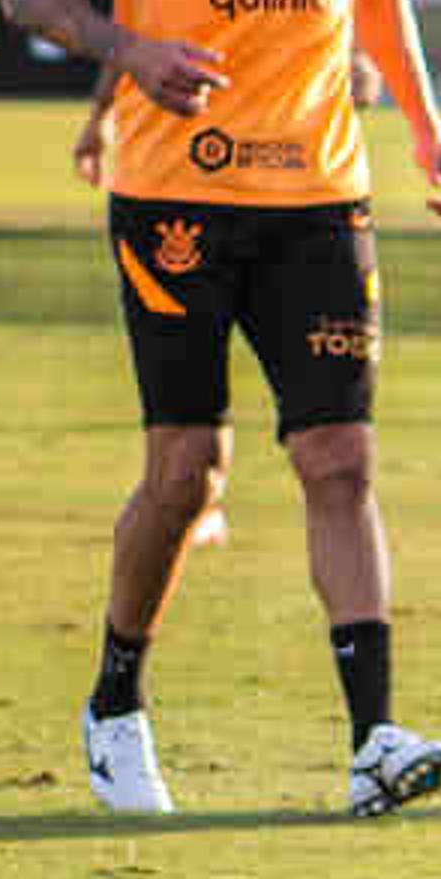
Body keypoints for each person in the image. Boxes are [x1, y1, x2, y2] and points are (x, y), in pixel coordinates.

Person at [3, 0, 441, 816]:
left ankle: (374, 738)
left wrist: (425, 127)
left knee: (341, 457)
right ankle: (116, 699)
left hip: (322, 190)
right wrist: (128, 53)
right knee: (188, 473)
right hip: (174, 199)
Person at [70, 47, 391, 553]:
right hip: (182, 198)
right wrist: (100, 116)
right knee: (189, 413)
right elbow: (135, 29)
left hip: (293, 212)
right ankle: (195, 498)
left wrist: (354, 73)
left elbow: (354, 64)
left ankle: (202, 498)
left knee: (326, 424)